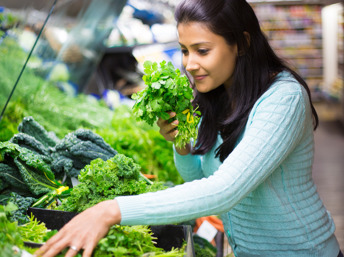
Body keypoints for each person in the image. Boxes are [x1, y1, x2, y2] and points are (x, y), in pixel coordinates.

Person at [36, 0, 342, 256]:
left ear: (243, 44)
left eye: (202, 50)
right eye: (185, 50)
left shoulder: (284, 98)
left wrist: (112, 210)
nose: (190, 64)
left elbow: (223, 190)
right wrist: (182, 146)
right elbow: (203, 177)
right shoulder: (219, 94)